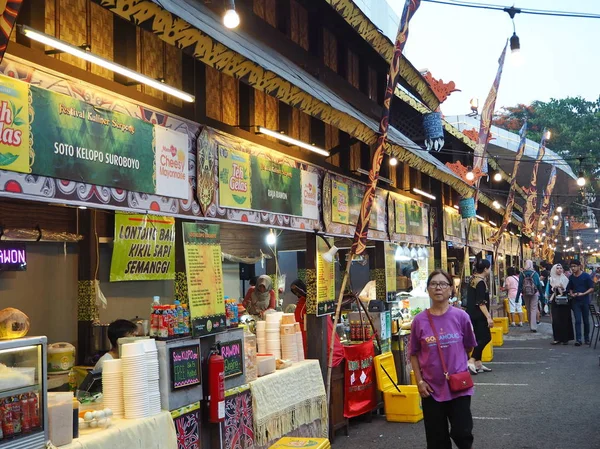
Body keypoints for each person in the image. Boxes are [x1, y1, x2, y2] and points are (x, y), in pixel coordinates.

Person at [410, 270, 477, 449]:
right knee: (436, 440)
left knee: (463, 433)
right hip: (431, 388)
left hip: (459, 386)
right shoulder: (419, 321)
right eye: (433, 284)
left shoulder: (461, 317)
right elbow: (414, 353)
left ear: (450, 290)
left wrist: (458, 363)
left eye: (443, 284)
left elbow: (469, 346)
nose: (438, 287)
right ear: (427, 289)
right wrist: (420, 382)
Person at [466, 259, 493, 375]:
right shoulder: (480, 282)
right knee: (486, 337)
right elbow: (481, 302)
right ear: (486, 269)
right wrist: (488, 317)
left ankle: (478, 363)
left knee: (478, 338)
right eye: (489, 268)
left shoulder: (472, 279)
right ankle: (471, 360)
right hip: (479, 314)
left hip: (471, 313)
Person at [567, 260, 594, 346]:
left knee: (586, 320)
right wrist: (572, 294)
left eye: (575, 266)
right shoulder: (571, 277)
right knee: (577, 320)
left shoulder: (586, 276)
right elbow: (569, 288)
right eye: (572, 266)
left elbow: (592, 288)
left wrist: (584, 293)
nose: (573, 268)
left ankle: (587, 338)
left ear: (579, 266)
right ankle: (578, 339)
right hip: (575, 302)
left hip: (585, 301)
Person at [548, 264, 574, 345]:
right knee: (555, 320)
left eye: (561, 268)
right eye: (557, 268)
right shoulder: (551, 279)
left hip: (564, 302)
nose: (559, 270)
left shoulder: (565, 279)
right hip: (555, 302)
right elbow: (549, 291)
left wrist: (562, 288)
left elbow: (569, 290)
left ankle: (565, 339)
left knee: (565, 319)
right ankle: (557, 338)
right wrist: (555, 288)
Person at [516, 260, 543, 333]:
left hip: (525, 293)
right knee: (533, 309)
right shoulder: (535, 274)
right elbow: (539, 285)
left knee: (528, 308)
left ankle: (530, 323)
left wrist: (517, 297)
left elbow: (520, 286)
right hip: (534, 293)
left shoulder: (522, 274)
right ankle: (533, 326)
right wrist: (542, 296)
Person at [290, 279, 307, 355]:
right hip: (299, 329)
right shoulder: (300, 301)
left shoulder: (307, 300)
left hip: (305, 330)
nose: (296, 293)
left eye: (297, 291)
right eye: (295, 292)